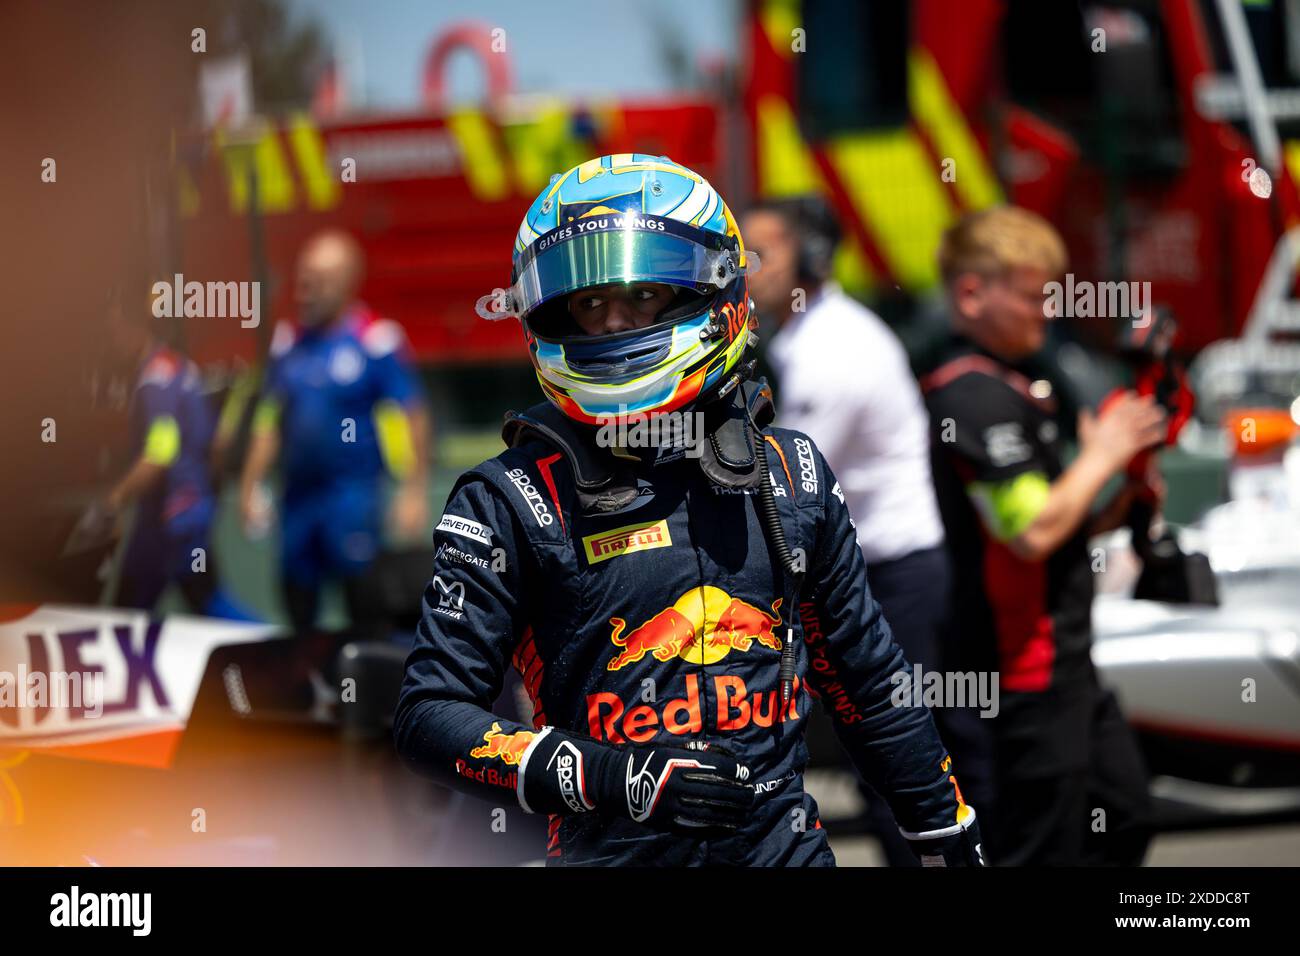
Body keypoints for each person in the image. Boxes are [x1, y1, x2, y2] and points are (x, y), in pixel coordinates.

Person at [393, 154, 983, 867]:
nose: (611, 322)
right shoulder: (510, 499)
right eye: (587, 303)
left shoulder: (789, 472)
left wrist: (944, 831)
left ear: (712, 292)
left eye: (640, 295)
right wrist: (617, 779)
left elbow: (869, 682)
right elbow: (429, 717)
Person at [923, 206, 1162, 865]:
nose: (1045, 313)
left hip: (1070, 661)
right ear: (972, 292)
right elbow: (1030, 530)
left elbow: (1065, 520)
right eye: (1033, 296)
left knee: (1126, 815)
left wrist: (1127, 493)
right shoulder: (967, 394)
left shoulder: (1025, 386)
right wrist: (1106, 453)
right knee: (1043, 849)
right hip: (1022, 674)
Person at [743, 197, 957, 865]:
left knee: (897, 760)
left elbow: (784, 481)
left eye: (761, 255)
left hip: (895, 572)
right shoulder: (804, 335)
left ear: (811, 260)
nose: (743, 271)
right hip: (881, 566)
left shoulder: (830, 350)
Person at [239, 230, 432, 635]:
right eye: (302, 277)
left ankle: (368, 690)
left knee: (365, 605)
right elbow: (270, 420)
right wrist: (250, 485)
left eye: (318, 279)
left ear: (347, 281)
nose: (305, 289)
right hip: (297, 501)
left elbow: (412, 414)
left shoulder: (376, 341)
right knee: (297, 604)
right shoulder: (288, 342)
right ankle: (308, 690)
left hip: (353, 497)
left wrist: (413, 491)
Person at [102, 291, 245, 618]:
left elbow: (160, 453)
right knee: (194, 603)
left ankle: (275, 652)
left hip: (169, 523)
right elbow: (217, 443)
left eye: (114, 331)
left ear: (135, 327)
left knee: (199, 607)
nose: (111, 341)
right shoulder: (180, 368)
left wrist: (115, 499)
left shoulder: (156, 381)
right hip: (183, 515)